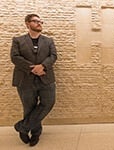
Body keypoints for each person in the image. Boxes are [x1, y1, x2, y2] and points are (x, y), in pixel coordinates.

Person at [10, 14, 57, 146]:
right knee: (29, 107)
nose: (39, 23)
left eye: (40, 21)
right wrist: (32, 68)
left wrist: (42, 66)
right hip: (25, 79)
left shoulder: (48, 41)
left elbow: (53, 56)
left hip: (45, 77)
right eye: (35, 21)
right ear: (27, 23)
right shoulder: (18, 40)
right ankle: (35, 133)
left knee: (48, 103)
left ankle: (22, 127)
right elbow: (15, 57)